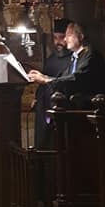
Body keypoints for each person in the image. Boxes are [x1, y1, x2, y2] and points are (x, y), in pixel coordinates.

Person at [28, 21, 105, 146]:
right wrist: (44, 76)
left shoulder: (91, 56)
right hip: (74, 114)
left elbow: (76, 78)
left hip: (87, 114)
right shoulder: (75, 57)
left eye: (69, 35)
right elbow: (63, 77)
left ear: (80, 36)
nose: (65, 39)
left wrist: (46, 80)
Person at [31, 18, 72, 148]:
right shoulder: (51, 59)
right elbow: (43, 80)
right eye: (55, 38)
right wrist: (36, 97)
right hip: (43, 107)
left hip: (60, 109)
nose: (58, 42)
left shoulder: (74, 59)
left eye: (61, 38)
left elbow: (66, 82)